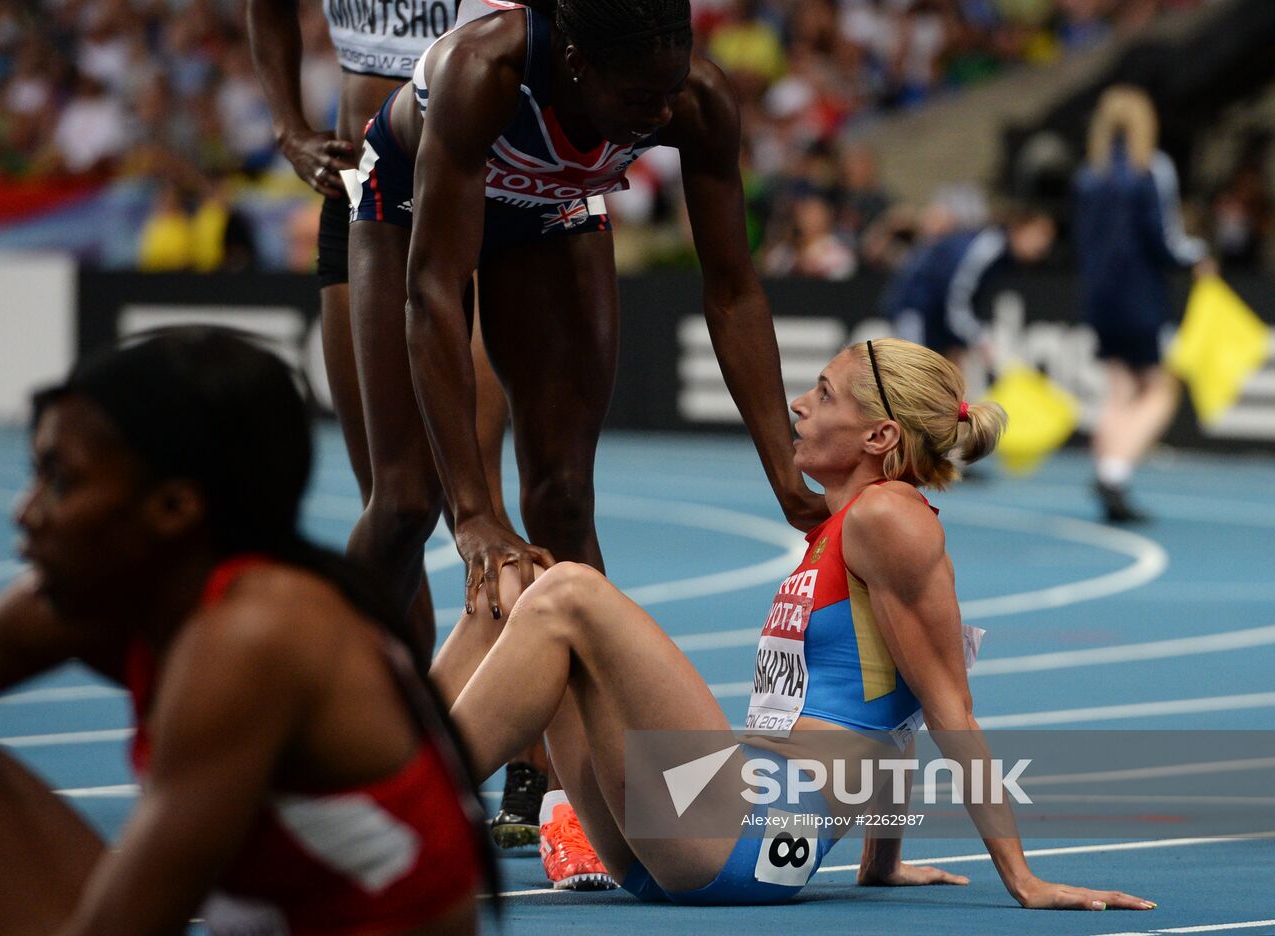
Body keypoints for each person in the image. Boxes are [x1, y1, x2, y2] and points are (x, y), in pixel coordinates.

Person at [347, 0, 823, 887]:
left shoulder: (697, 101)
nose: (656, 114)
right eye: (637, 96)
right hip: (412, 202)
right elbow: (436, 293)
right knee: (406, 503)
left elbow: (731, 288)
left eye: (668, 90)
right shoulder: (483, 72)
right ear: (572, 64)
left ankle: (573, 804)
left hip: (556, 205)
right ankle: (335, 729)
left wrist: (782, 465)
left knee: (564, 499)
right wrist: (475, 512)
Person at [431, 338, 1158, 912]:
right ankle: (395, 781)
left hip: (744, 832)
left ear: (879, 437)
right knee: (516, 579)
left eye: (824, 393)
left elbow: (947, 707)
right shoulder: (846, 528)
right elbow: (892, 708)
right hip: (689, 839)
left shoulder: (889, 520)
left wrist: (1022, 878)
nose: (799, 404)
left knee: (571, 593)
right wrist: (882, 861)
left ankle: (403, 803)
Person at [0, 329, 487, 934]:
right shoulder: (136, 586)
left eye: (61, 481)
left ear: (172, 509)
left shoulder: (251, 640)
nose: (25, 511)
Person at [246, 0, 540, 847]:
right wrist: (288, 126)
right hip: (357, 188)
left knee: (477, 499)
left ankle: (531, 757)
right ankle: (378, 741)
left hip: (482, 190)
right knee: (396, 505)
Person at [1074, 86, 1212, 524]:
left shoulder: (1088, 177)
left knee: (1119, 387)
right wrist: (1198, 257)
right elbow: (1166, 239)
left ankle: (1105, 469)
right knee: (1160, 389)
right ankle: (1114, 473)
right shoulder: (1150, 169)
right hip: (1138, 296)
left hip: (1099, 296)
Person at [886, 206, 1056, 372]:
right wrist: (978, 337)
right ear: (1020, 229)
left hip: (939, 318)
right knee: (914, 377)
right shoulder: (987, 248)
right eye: (1040, 235)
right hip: (917, 308)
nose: (1044, 245)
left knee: (946, 380)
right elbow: (956, 299)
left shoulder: (1004, 258)